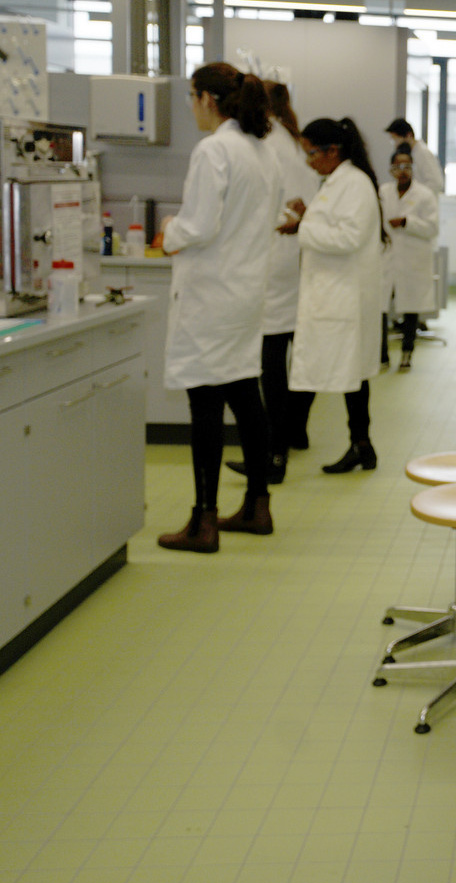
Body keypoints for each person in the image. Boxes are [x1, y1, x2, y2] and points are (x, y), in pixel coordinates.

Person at [157, 62, 281, 552]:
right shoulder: (261, 153)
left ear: (208, 98)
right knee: (246, 396)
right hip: (246, 292)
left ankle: (202, 520)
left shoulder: (214, 150)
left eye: (191, 97)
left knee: (205, 405)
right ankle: (257, 504)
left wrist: (171, 231)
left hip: (212, 294)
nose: (191, 108)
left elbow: (200, 224)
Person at [224, 80, 320, 485]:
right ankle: (291, 434)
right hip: (294, 258)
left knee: (272, 360)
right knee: (291, 355)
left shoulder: (268, 144)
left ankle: (272, 453)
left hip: (277, 255)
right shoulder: (294, 141)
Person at [289, 117, 385, 475]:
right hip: (333, 296)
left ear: (333, 150)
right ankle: (362, 446)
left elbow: (348, 238)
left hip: (342, 297)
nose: (309, 160)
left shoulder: (354, 184)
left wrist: (304, 227)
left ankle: (277, 454)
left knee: (325, 375)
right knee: (348, 377)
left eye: (312, 153)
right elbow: (333, 226)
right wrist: (309, 216)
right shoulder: (336, 182)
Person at [379, 145, 440, 372]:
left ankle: (407, 353)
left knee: (411, 307)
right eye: (397, 167)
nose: (402, 171)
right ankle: (381, 355)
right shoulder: (383, 192)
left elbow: (432, 228)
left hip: (412, 258)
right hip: (386, 257)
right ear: (391, 169)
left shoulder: (424, 195)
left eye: (407, 166)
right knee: (380, 307)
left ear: (413, 168)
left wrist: (407, 223)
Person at [385, 117, 444, 195]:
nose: (395, 144)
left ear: (408, 135)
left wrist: (416, 196)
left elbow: (436, 183)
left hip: (423, 203)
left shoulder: (423, 153)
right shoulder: (411, 153)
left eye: (396, 139)